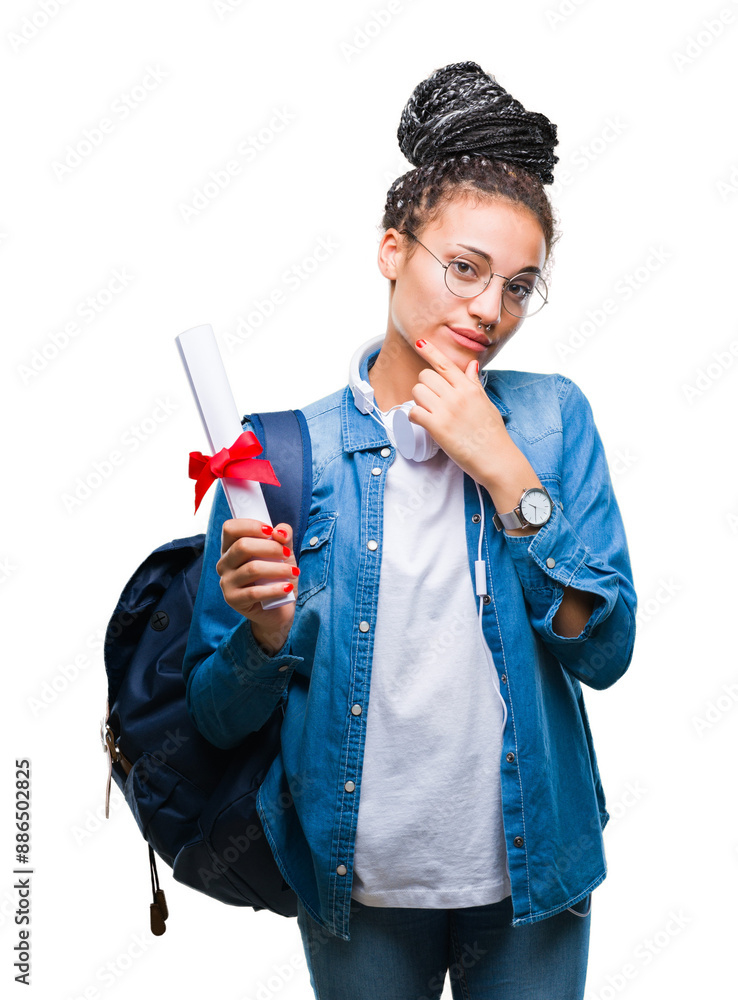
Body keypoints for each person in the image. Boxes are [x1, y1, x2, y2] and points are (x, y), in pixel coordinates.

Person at [182, 61, 637, 1000]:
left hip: (534, 879)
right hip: (357, 885)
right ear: (393, 250)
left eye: (518, 286)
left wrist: (503, 468)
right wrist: (265, 640)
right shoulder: (276, 450)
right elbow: (217, 714)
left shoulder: (552, 422)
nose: (488, 311)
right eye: (464, 268)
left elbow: (607, 651)